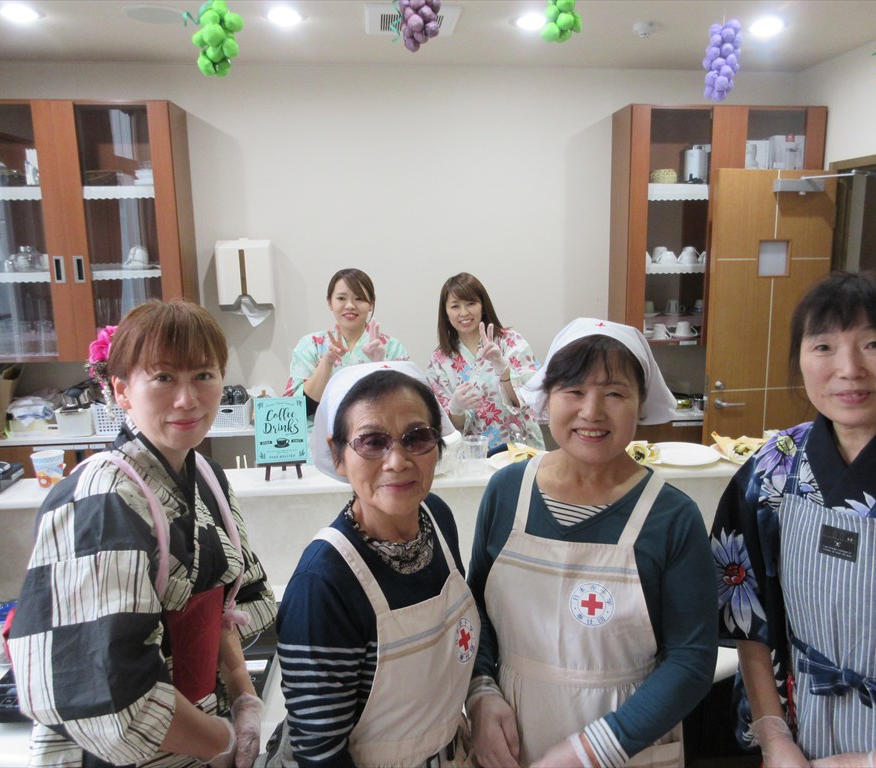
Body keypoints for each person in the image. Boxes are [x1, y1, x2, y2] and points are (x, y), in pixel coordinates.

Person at [710, 271, 876, 767]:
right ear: (800, 360)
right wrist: (774, 739)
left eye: (873, 344)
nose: (849, 369)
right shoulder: (774, 467)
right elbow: (745, 615)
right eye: (824, 347)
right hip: (801, 740)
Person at [8, 300, 277, 768]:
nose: (187, 399)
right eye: (164, 377)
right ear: (121, 391)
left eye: (204, 375)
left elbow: (221, 606)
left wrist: (243, 696)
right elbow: (112, 691)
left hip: (200, 727)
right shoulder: (99, 501)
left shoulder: (208, 475)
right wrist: (221, 742)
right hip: (130, 753)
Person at [467, 317, 718, 767]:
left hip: (628, 741)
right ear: (548, 397)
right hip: (511, 735)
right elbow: (476, 610)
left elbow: (692, 660)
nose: (592, 411)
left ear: (641, 403)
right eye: (574, 390)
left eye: (615, 393)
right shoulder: (507, 491)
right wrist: (481, 691)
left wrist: (595, 750)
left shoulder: (671, 517)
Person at [262, 361, 478, 767]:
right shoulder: (323, 583)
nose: (397, 461)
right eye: (372, 442)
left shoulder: (437, 517)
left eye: (417, 437)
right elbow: (320, 752)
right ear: (337, 454)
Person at [427, 272, 545, 451]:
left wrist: (505, 372)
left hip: (519, 448)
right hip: (472, 456)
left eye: (471, 303)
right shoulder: (439, 360)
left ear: (483, 306)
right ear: (446, 312)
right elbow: (446, 427)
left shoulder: (510, 342)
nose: (464, 313)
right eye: (455, 306)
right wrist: (456, 408)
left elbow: (531, 399)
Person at [283, 268, 409, 413]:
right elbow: (295, 410)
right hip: (320, 427)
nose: (350, 306)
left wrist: (381, 365)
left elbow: (407, 403)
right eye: (341, 298)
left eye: (359, 298)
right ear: (330, 302)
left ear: (371, 303)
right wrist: (327, 361)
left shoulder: (392, 347)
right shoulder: (310, 345)